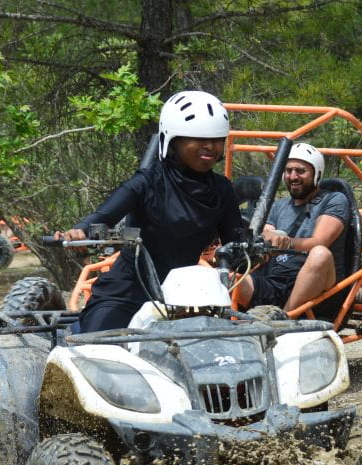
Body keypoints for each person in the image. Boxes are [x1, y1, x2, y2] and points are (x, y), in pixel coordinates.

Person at [59, 90, 244, 333]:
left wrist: (263, 245)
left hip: (187, 299)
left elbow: (238, 248)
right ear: (173, 141)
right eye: (197, 138)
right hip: (128, 293)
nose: (209, 146)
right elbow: (103, 217)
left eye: (217, 139)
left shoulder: (222, 190)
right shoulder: (147, 182)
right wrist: (79, 232)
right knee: (97, 346)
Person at [236, 142, 350, 313]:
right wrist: (269, 236)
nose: (293, 176)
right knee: (225, 275)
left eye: (301, 171)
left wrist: (287, 243)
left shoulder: (334, 200)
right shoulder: (278, 206)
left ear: (316, 173)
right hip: (275, 281)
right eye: (288, 171)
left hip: (319, 291)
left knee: (320, 253)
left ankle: (286, 319)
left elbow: (320, 241)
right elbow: (266, 233)